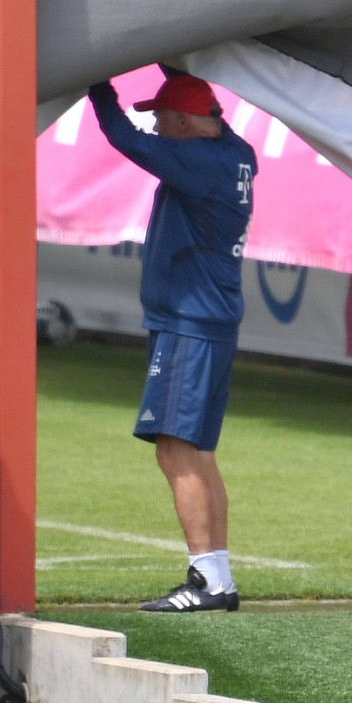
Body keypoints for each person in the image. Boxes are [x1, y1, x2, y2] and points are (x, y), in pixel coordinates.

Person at [87, 73, 257, 612]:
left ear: (184, 123)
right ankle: (219, 580)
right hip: (211, 321)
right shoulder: (235, 151)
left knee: (174, 451)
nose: (155, 125)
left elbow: (122, 136)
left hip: (189, 324)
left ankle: (208, 581)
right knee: (198, 454)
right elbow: (200, 107)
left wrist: (98, 84)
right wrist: (173, 66)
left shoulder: (199, 163)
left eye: (161, 116)